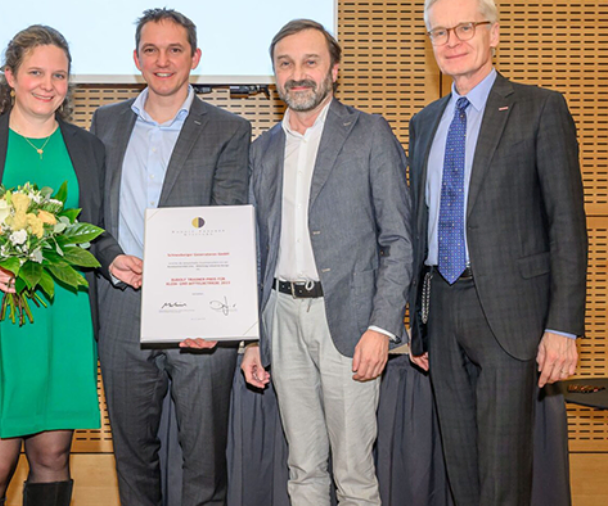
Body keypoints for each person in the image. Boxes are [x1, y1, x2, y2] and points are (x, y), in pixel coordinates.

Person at [0, 25, 136, 506]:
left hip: (64, 316)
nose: (48, 84)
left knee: (52, 459)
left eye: (58, 75)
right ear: (10, 77)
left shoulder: (88, 147)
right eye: (36, 72)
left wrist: (115, 259)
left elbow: (93, 228)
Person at [406, 0, 588, 504]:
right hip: (441, 309)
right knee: (460, 465)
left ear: (495, 33)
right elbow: (420, 222)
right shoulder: (424, 122)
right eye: (440, 32)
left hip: (512, 315)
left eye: (465, 27)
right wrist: (416, 323)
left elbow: (567, 223)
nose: (452, 40)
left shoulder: (539, 107)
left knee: (504, 470)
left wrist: (562, 326)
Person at [240, 19, 413, 506]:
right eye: (286, 63)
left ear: (334, 70)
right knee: (303, 468)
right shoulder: (263, 149)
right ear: (275, 74)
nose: (298, 74)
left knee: (355, 473)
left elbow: (399, 238)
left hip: (350, 323)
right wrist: (253, 337)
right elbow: (257, 250)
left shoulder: (369, 132)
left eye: (310, 62)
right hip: (281, 316)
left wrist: (382, 327)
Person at [90, 8, 251, 506]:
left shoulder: (228, 128)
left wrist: (206, 304)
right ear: (136, 58)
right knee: (133, 458)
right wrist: (109, 255)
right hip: (122, 308)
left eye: (175, 49)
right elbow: (90, 214)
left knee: (203, 462)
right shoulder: (105, 122)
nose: (163, 61)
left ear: (195, 58)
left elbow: (228, 224)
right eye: (151, 50)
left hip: (197, 317)